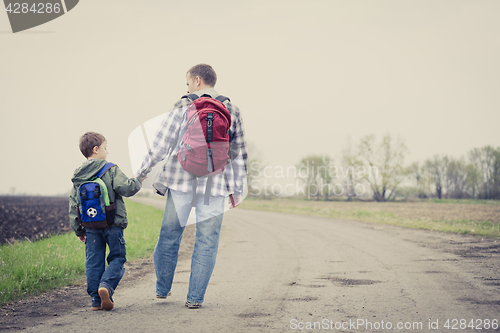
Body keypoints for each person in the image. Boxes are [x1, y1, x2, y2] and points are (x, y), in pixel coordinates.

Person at [136, 64, 248, 309]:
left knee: (169, 236)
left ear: (197, 80)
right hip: (216, 185)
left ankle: (163, 289)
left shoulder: (182, 105)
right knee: (207, 241)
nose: (186, 87)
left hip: (180, 180)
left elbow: (160, 144)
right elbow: (239, 153)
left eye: (187, 83)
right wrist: (237, 189)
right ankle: (195, 298)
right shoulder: (232, 109)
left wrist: (143, 171)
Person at [69, 132, 142, 311]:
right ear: (96, 149)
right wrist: (138, 180)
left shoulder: (78, 176)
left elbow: (73, 205)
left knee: (93, 261)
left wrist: (79, 230)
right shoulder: (110, 169)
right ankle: (106, 286)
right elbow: (127, 188)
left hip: (91, 227)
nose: (107, 152)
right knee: (117, 257)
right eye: (105, 147)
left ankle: (96, 300)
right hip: (113, 224)